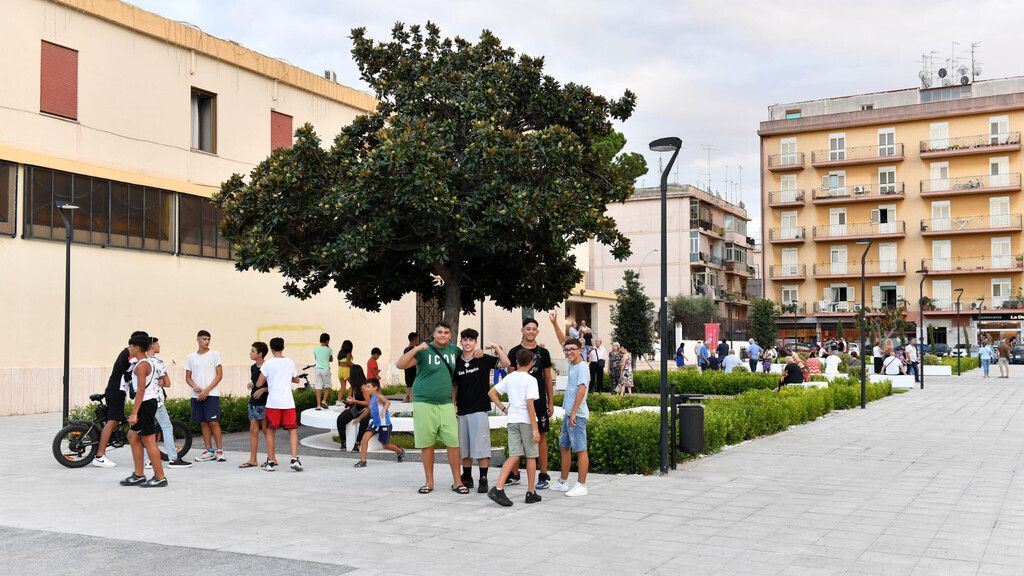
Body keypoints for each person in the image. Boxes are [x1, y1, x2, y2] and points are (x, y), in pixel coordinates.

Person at [395, 322, 466, 495]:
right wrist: (416, 348)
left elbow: (468, 356)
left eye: (446, 332)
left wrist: (478, 351)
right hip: (424, 402)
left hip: (446, 403)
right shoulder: (424, 350)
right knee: (427, 443)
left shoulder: (454, 350)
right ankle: (429, 481)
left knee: (453, 443)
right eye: (439, 332)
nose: (443, 335)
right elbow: (400, 364)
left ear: (450, 335)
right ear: (434, 334)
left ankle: (457, 482)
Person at [454, 328, 509, 493]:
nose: (467, 343)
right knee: (464, 447)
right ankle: (467, 477)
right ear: (461, 342)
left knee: (481, 446)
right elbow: (454, 385)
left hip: (479, 409)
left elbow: (506, 363)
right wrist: (453, 403)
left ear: (475, 342)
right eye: (465, 339)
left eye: (471, 340)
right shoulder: (456, 362)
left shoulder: (483, 358)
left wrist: (496, 347)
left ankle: (483, 479)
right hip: (462, 409)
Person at [486, 348, 542, 507]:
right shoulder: (531, 380)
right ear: (531, 363)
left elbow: (491, 393)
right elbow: (530, 404)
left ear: (516, 361)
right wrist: (535, 428)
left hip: (512, 420)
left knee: (514, 455)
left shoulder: (510, 377)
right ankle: (531, 492)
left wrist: (504, 409)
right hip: (526, 421)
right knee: (531, 456)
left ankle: (498, 487)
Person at [507, 316, 556, 489]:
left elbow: (548, 378)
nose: (531, 331)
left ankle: (543, 475)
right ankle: (514, 474)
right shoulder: (514, 352)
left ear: (537, 332)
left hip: (539, 400)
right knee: (517, 437)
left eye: (534, 329)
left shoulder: (543, 352)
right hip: (520, 403)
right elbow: (510, 378)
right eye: (528, 328)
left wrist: (551, 402)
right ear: (522, 330)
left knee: (540, 436)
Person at [93, 331, 147, 468]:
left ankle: (101, 452)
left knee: (115, 421)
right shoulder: (129, 355)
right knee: (112, 421)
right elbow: (138, 367)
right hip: (116, 391)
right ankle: (100, 456)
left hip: (117, 390)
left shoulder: (127, 353)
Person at [119, 332, 167, 488]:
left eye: (131, 346)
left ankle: (160, 477)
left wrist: (134, 413)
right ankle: (139, 475)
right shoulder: (145, 363)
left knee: (149, 440)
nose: (129, 348)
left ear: (137, 348)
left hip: (145, 404)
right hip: (146, 403)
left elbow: (140, 390)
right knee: (133, 436)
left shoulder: (142, 366)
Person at [550, 337, 591, 497]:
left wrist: (574, 412)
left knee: (580, 449)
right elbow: (563, 340)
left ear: (580, 350)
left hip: (577, 415)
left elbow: (582, 390)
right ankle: (563, 482)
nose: (569, 352)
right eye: (566, 350)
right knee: (564, 447)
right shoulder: (572, 364)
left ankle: (581, 485)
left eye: (573, 349)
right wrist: (555, 324)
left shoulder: (582, 367)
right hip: (569, 414)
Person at [256, 337, 303, 472]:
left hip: (273, 403)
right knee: (292, 431)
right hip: (288, 402)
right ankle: (294, 459)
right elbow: (297, 380)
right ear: (283, 347)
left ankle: (270, 462)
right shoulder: (289, 362)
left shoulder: (268, 364)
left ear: (271, 349)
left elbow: (259, 383)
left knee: (270, 432)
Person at [144, 337, 191, 469]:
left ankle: (147, 460)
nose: (159, 346)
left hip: (143, 401)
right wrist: (160, 382)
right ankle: (173, 458)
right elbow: (168, 383)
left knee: (147, 430)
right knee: (167, 427)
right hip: (156, 401)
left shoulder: (141, 362)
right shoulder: (158, 362)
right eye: (157, 344)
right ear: (153, 346)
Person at [186, 330, 225, 462]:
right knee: (203, 423)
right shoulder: (191, 357)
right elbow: (188, 377)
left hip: (211, 394)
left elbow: (219, 375)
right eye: (204, 339)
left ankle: (220, 451)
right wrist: (194, 386)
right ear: (198, 339)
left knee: (213, 422)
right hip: (196, 395)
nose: (206, 341)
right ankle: (209, 451)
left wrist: (206, 390)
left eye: (208, 339)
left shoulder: (215, 354)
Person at [353, 379, 405, 467]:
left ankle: (400, 451)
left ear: (375, 388)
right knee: (364, 439)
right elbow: (368, 409)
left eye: (368, 387)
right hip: (375, 423)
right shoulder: (371, 398)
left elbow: (388, 402)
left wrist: (384, 410)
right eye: (366, 387)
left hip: (384, 424)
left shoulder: (378, 396)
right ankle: (363, 461)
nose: (366, 389)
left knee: (385, 445)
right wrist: (359, 418)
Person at [240, 341, 269, 469]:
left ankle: (272, 458)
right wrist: (252, 385)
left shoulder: (268, 366)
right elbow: (256, 382)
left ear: (260, 354)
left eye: (253, 351)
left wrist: (263, 389)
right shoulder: (252, 367)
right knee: (253, 430)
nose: (250, 353)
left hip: (266, 402)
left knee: (267, 431)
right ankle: (253, 460)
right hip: (254, 402)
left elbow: (274, 385)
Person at [334, 365, 370, 451]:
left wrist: (354, 401)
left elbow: (368, 403)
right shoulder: (353, 386)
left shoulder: (364, 387)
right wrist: (348, 403)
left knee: (364, 420)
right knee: (340, 419)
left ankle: (357, 443)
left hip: (367, 409)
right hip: (357, 408)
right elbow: (350, 398)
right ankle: (343, 442)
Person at [312, 333, 333, 410]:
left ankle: (318, 405)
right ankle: (324, 401)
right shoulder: (329, 349)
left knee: (318, 387)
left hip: (317, 369)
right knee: (327, 386)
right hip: (325, 369)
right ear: (327, 341)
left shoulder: (316, 349)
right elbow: (331, 359)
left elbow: (316, 358)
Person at [402, 332, 419, 403]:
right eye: (417, 339)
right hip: (413, 378)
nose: (418, 341)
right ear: (415, 339)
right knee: (412, 400)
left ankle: (400, 409)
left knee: (408, 397)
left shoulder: (406, 350)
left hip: (408, 377)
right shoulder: (414, 350)